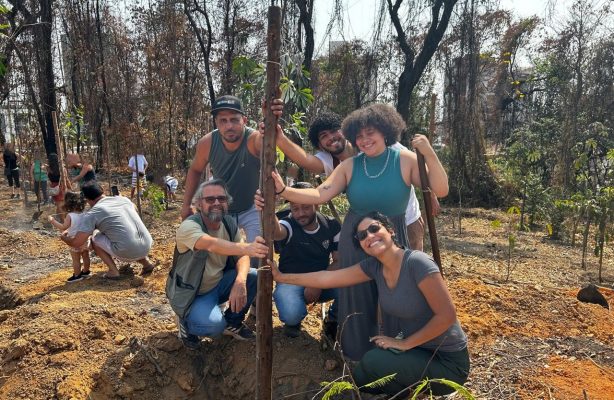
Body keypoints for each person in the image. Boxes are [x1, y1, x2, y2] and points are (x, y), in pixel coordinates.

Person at [270, 103, 449, 361]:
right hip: (357, 237)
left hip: (394, 235)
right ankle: (357, 353)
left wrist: (429, 153)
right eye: (359, 136)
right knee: (357, 291)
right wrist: (283, 191)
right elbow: (321, 194)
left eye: (371, 133)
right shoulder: (350, 165)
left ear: (386, 131)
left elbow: (440, 189)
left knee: (397, 291)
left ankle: (395, 351)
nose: (365, 140)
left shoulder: (405, 159)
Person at [269, 212, 469, 397]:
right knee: (373, 363)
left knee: (373, 363)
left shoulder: (417, 263)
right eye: (362, 235)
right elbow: (327, 278)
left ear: (390, 230)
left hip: (446, 362)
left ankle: (356, 393)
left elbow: (447, 316)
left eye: (374, 228)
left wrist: (404, 343)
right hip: (416, 352)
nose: (370, 236)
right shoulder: (374, 267)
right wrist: (282, 277)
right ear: (361, 245)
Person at [275, 111, 439, 251]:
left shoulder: (382, 145)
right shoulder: (332, 161)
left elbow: (419, 171)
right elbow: (306, 162)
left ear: (345, 131)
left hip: (405, 218)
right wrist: (280, 139)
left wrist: (431, 193)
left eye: (334, 131)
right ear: (320, 145)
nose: (331, 138)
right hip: (370, 225)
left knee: (410, 265)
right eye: (324, 136)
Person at [173, 179, 268, 349]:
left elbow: (241, 255)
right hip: (193, 293)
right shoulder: (189, 227)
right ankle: (186, 322)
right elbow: (210, 244)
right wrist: (248, 247)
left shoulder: (229, 223)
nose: (216, 203)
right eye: (210, 199)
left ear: (227, 203)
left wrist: (240, 281)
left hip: (218, 284)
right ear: (199, 204)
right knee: (214, 327)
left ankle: (233, 322)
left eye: (221, 199)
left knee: (252, 275)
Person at [180, 95, 283, 248]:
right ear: (216, 122)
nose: (229, 126)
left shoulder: (253, 139)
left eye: (234, 120)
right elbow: (195, 170)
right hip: (220, 208)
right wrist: (186, 204)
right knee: (220, 258)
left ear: (244, 120)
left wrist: (270, 120)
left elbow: (264, 141)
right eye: (223, 120)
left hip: (252, 207)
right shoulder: (207, 143)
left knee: (259, 253)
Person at [254, 182, 340, 339]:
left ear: (317, 205)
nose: (300, 213)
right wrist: (268, 208)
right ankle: (294, 321)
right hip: (290, 281)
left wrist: (318, 283)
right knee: (291, 312)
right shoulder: (289, 224)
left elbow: (339, 261)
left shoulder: (332, 226)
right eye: (295, 209)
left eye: (306, 207)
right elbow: (277, 231)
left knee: (353, 285)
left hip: (322, 281)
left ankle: (333, 318)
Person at [60, 182, 155, 279]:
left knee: (94, 237)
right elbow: (133, 210)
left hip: (127, 252)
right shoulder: (124, 199)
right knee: (123, 231)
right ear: (102, 190)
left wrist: (63, 238)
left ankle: (113, 271)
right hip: (147, 245)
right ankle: (146, 263)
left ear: (86, 199)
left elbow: (77, 242)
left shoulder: (94, 212)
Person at [48, 192, 91, 282]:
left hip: (74, 240)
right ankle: (86, 272)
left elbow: (63, 227)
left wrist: (52, 221)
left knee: (76, 259)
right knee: (86, 256)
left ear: (68, 204)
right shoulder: (85, 213)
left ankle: (77, 275)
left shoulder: (70, 216)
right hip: (84, 239)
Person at [47, 153, 71, 222]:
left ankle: (62, 219)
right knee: (62, 204)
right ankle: (63, 220)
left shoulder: (49, 169)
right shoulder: (62, 169)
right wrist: (70, 187)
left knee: (59, 204)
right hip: (61, 186)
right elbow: (66, 179)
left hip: (54, 187)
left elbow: (48, 178)